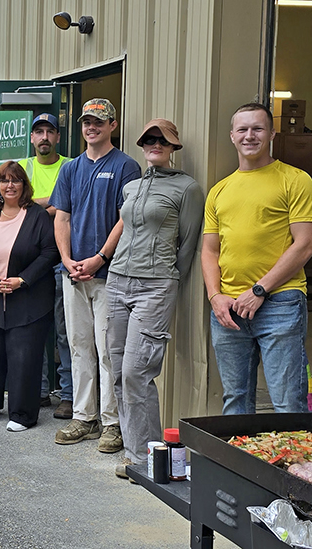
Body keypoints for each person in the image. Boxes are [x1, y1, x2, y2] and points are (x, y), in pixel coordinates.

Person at [201, 102, 312, 415]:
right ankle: (237, 465)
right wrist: (215, 296)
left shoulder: (295, 180)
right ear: (232, 136)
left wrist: (259, 290)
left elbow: (305, 244)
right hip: (228, 309)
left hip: (279, 302)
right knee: (235, 401)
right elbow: (210, 250)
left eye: (257, 128)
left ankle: (291, 465)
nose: (249, 135)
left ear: (271, 133)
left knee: (288, 403)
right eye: (243, 129)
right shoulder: (219, 191)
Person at [106, 119, 203, 478]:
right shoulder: (132, 186)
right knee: (118, 372)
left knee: (136, 372)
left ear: (174, 146)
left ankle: (149, 461)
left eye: (162, 140)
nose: (154, 144)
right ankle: (135, 455)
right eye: (148, 139)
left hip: (155, 286)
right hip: (117, 283)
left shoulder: (187, 188)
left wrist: (166, 280)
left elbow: (188, 247)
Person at [49, 98, 141, 452]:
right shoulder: (70, 169)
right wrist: (68, 259)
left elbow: (125, 219)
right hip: (72, 274)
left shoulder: (126, 167)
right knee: (78, 345)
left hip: (109, 275)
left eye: (99, 122)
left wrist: (100, 258)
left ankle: (112, 423)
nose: (91, 127)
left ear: (112, 125)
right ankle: (84, 417)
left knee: (107, 349)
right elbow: (62, 217)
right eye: (87, 122)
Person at [0, 162, 59, 432]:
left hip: (28, 302)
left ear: (24, 186)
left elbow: (49, 253)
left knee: (24, 358)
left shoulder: (37, 216)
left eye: (16, 180)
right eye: (4, 180)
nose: (10, 185)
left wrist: (22, 279)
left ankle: (22, 414)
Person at [20, 113, 73, 417]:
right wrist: (52, 204)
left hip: (64, 259)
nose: (44, 137)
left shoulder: (70, 165)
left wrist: (39, 204)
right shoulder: (24, 167)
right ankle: (38, 390)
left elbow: (70, 203)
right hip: (30, 262)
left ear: (57, 137)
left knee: (66, 332)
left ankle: (67, 395)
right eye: (38, 132)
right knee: (33, 328)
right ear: (32, 138)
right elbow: (14, 203)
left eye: (49, 132)